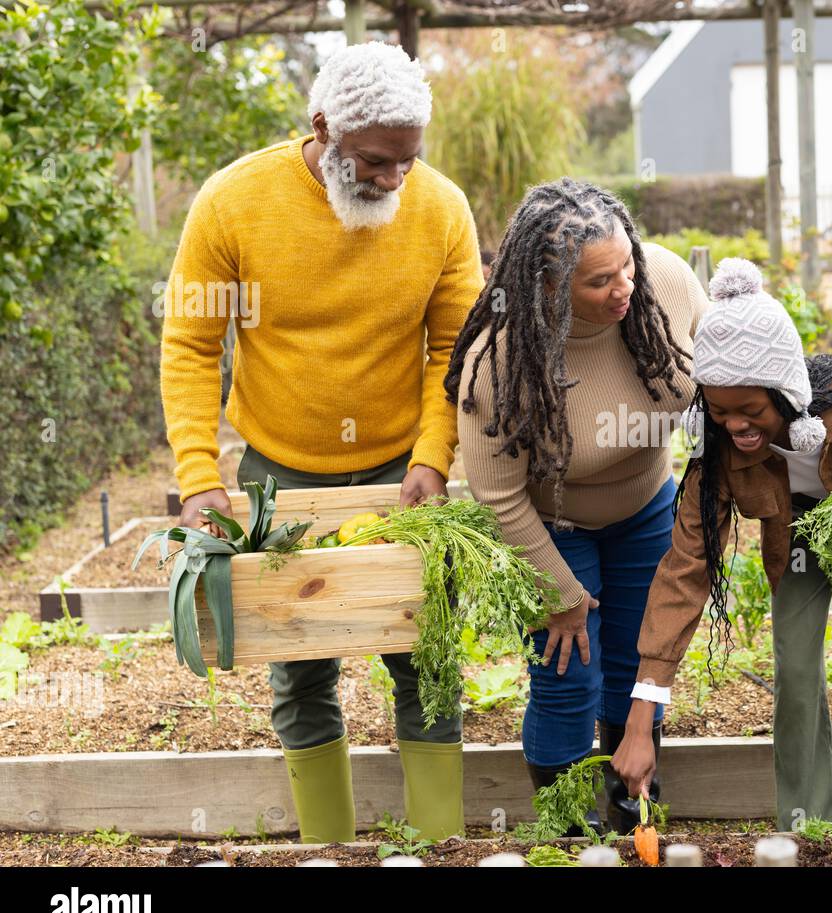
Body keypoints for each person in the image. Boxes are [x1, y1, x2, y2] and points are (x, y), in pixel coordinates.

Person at [159, 42, 483, 844]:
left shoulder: (441, 210)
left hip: (403, 471)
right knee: (299, 664)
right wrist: (200, 476)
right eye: (376, 161)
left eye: (408, 161)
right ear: (323, 128)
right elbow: (193, 344)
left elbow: (454, 352)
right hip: (278, 473)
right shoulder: (232, 203)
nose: (393, 180)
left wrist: (433, 459)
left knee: (427, 656)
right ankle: (329, 849)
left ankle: (436, 847)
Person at [612, 257, 832, 829]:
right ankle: (806, 826)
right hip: (795, 529)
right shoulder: (716, 456)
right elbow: (685, 570)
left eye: (751, 409)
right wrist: (640, 719)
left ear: (787, 395)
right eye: (719, 410)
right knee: (794, 669)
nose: (735, 424)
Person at [446, 179, 708, 834]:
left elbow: (721, 378)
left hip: (647, 505)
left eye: (627, 264)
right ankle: (563, 827)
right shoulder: (501, 358)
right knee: (569, 676)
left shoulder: (668, 286)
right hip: (548, 524)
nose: (624, 287)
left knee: (636, 661)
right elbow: (498, 491)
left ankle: (632, 809)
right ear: (548, 289)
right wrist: (558, 592)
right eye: (599, 282)